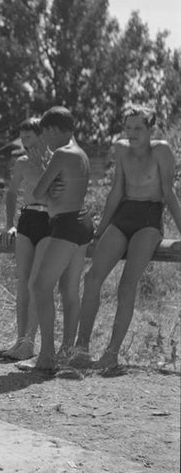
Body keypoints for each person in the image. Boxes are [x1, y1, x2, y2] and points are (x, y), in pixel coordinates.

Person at [71, 105, 181, 370]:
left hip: (148, 219)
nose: (132, 133)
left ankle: (111, 353)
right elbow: (116, 190)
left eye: (138, 128)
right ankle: (81, 348)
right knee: (92, 276)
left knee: (126, 283)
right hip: (123, 215)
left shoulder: (162, 151)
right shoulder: (121, 149)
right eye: (128, 127)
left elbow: (169, 193)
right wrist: (99, 229)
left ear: (150, 128)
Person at [22, 106, 93, 372]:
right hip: (82, 222)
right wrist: (52, 188)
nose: (44, 141)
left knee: (40, 287)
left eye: (45, 134)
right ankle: (66, 352)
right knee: (68, 291)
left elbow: (38, 192)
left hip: (66, 225)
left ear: (52, 130)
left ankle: (47, 356)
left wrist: (45, 176)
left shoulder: (61, 154)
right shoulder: (81, 153)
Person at [0, 118, 52, 360]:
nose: (25, 143)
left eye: (29, 137)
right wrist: (9, 225)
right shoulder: (22, 163)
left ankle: (30, 343)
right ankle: (20, 341)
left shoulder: (56, 160)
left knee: (35, 284)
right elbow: (11, 193)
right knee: (23, 284)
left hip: (49, 221)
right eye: (23, 138)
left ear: (41, 135)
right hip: (27, 219)